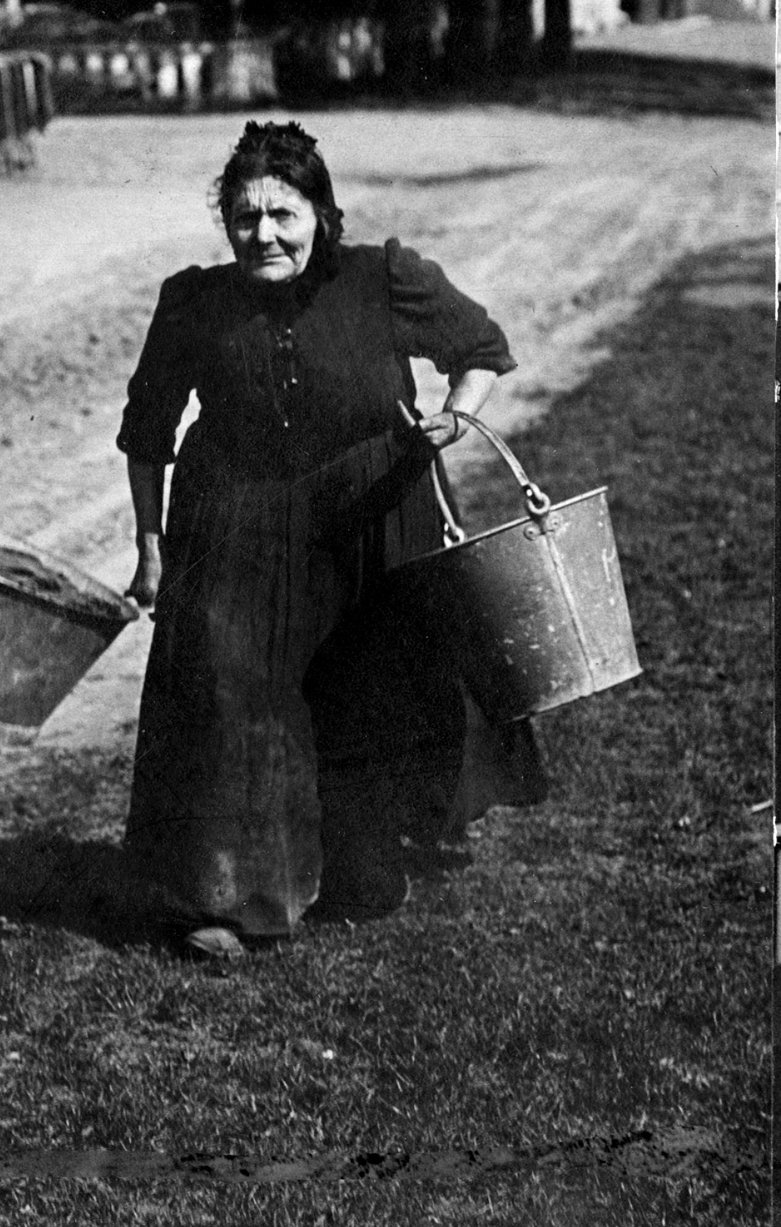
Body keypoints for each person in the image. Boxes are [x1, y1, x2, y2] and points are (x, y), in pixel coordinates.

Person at [115, 121, 543, 960]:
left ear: (321, 212)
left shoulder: (382, 279)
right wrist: (151, 544)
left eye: (284, 214)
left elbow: (482, 349)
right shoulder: (195, 303)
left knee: (367, 695)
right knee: (233, 690)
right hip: (236, 523)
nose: (264, 235)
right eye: (244, 217)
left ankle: (361, 854)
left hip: (371, 515)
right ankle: (232, 899)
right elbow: (146, 435)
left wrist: (455, 416)